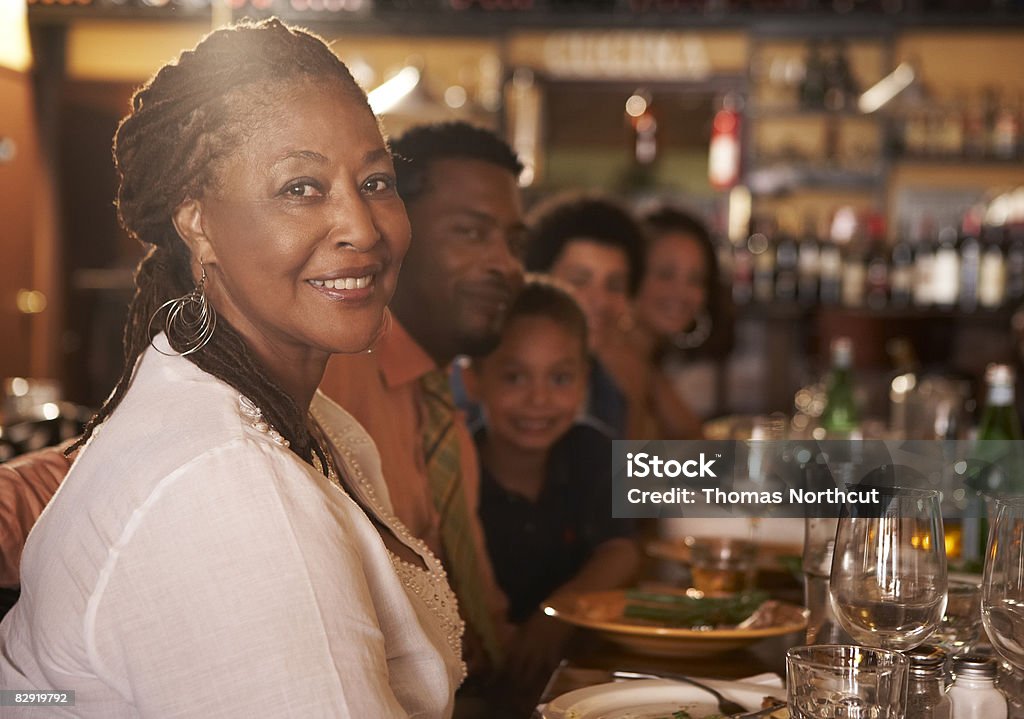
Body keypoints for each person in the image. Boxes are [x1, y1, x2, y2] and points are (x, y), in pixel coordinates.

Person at [0, 20, 463, 717]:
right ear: (197, 224)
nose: (363, 228)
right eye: (301, 187)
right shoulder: (229, 485)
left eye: (375, 181)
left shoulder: (283, 414)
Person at [317, 121, 526, 677]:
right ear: (389, 229)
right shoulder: (327, 388)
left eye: (514, 242)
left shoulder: (442, 405)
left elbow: (481, 610)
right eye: (472, 233)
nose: (506, 264)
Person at [463, 277, 639, 688]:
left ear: (584, 380)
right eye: (514, 378)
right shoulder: (455, 470)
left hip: (580, 671)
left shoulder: (593, 450)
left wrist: (554, 615)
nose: (539, 400)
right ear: (474, 380)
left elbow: (622, 550)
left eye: (560, 379)